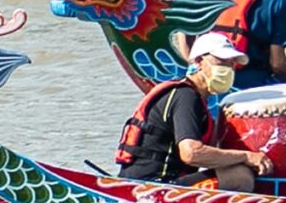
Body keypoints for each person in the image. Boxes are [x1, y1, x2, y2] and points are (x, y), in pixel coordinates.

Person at [113, 32, 272, 191]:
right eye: (221, 61)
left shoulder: (196, 98)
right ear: (198, 62)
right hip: (153, 185)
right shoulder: (186, 97)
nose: (228, 68)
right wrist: (246, 156)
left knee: (236, 165)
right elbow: (191, 153)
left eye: (232, 63)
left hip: (155, 182)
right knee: (239, 174)